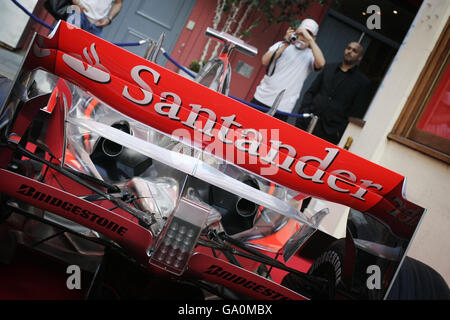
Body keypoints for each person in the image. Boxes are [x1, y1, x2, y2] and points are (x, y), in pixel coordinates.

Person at [295, 42, 371, 144]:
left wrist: (339, 131)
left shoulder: (362, 82)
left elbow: (356, 112)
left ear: (359, 57)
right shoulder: (328, 68)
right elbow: (311, 91)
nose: (350, 52)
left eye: (354, 51)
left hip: (329, 133)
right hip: (307, 121)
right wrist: (304, 110)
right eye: (348, 48)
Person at [251, 19, 326, 122]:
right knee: (245, 130)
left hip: (283, 107)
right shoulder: (282, 45)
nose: (303, 37)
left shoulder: (310, 55)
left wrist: (310, 40)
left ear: (313, 38)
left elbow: (321, 63)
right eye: (302, 33)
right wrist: (287, 42)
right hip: (261, 98)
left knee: (271, 136)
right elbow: (265, 61)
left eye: (308, 35)